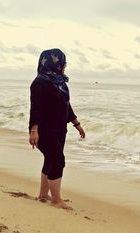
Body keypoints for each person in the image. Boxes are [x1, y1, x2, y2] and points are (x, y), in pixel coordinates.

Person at [28, 48, 85, 210]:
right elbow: (36, 108)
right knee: (58, 160)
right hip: (45, 130)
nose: (65, 65)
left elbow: (66, 105)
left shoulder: (59, 82)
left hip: (59, 129)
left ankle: (44, 195)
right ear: (55, 63)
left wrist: (76, 124)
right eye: (63, 62)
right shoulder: (40, 82)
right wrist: (34, 130)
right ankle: (56, 200)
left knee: (51, 159)